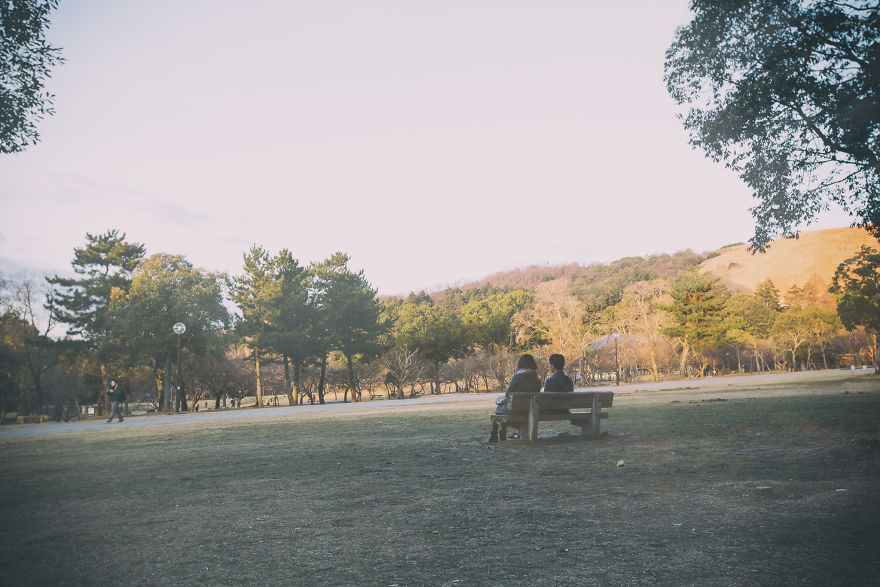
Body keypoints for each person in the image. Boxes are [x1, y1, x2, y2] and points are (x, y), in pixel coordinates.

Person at [495, 354, 541, 438]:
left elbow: (507, 395)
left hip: (515, 410)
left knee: (497, 410)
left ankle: (504, 432)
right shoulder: (538, 379)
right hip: (530, 410)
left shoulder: (517, 376)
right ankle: (519, 432)